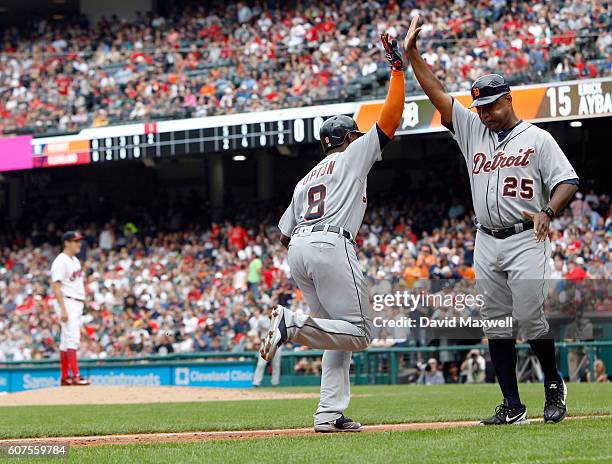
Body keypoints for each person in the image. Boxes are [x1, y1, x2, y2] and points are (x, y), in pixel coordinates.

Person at [405, 15, 579, 425]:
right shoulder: (472, 131)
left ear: (508, 100)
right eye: (479, 106)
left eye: (490, 105)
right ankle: (512, 405)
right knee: (496, 323)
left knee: (530, 317)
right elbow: (439, 95)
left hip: (525, 235)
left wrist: (548, 211)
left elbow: (568, 181)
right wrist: (412, 56)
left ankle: (553, 384)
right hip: (486, 239)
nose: (483, 113)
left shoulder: (538, 138)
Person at [260, 31, 406, 433]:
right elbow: (390, 119)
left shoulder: (304, 178)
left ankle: (328, 414)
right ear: (348, 139)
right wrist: (397, 71)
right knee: (357, 332)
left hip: (299, 249)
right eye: (355, 135)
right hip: (330, 241)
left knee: (334, 334)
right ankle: (290, 324)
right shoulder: (351, 156)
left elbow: (283, 233)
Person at [50, 231, 91, 386]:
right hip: (67, 302)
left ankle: (66, 376)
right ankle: (75, 376)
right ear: (66, 243)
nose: (79, 244)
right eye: (75, 241)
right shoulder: (61, 261)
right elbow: (56, 286)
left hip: (75, 302)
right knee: (72, 339)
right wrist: (63, 309)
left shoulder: (74, 260)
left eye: (79, 241)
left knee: (66, 341)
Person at [252, 311, 281, 387]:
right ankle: (256, 383)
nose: (270, 310)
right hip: (265, 344)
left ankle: (275, 383)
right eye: (269, 308)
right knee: (261, 364)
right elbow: (258, 331)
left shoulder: (279, 319)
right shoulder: (262, 320)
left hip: (276, 343)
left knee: (276, 365)